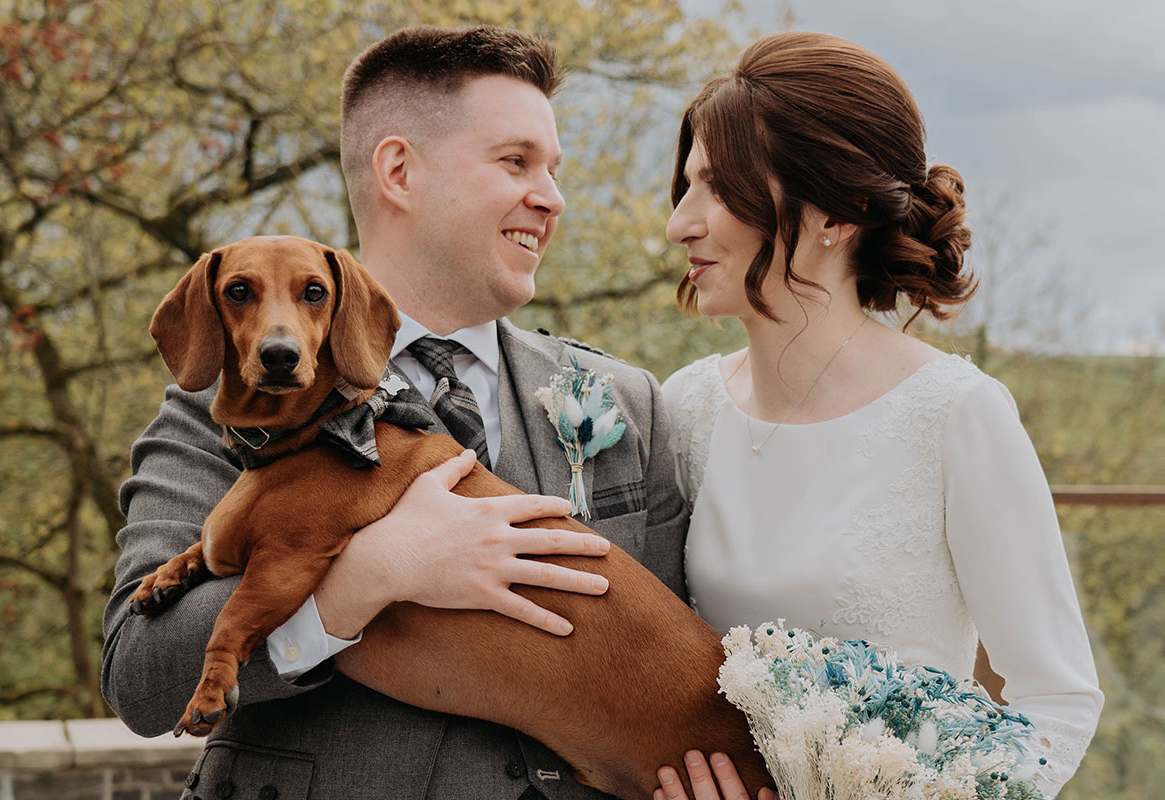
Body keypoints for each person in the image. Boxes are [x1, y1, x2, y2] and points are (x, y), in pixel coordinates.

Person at [101, 26, 688, 800]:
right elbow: (138, 674)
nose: (552, 197)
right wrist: (365, 578)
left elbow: (672, 665)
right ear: (400, 171)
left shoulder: (627, 402)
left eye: (554, 169)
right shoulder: (224, 406)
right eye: (516, 162)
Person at [652, 32, 1103, 800]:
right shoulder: (684, 408)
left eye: (719, 188)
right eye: (686, 186)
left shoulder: (955, 415)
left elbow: (1057, 698)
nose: (681, 224)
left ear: (838, 212)